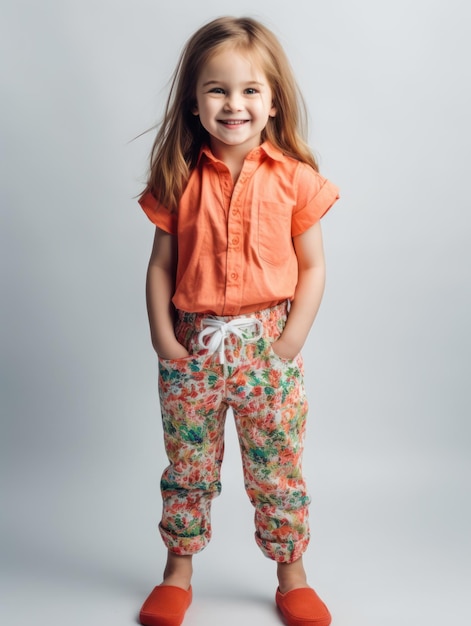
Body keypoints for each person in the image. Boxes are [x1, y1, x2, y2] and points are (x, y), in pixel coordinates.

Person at [137, 16, 339, 626]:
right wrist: (164, 338)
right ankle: (177, 571)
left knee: (277, 466)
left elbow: (314, 266)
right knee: (188, 465)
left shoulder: (296, 180)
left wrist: (289, 341)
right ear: (194, 102)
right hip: (192, 348)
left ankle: (292, 576)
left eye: (250, 89)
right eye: (217, 89)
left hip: (266, 349)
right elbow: (159, 266)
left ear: (273, 100)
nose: (234, 103)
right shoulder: (178, 177)